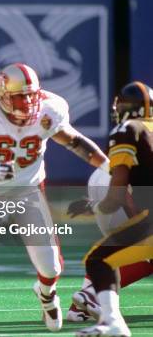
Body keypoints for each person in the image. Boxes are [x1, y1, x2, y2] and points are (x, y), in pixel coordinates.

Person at [0, 63, 108, 336]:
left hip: (28, 192)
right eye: (19, 96)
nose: (27, 102)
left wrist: (108, 166)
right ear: (2, 95)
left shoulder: (50, 108)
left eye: (31, 94)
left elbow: (74, 142)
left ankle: (46, 294)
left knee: (51, 266)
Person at [67, 81, 153, 337]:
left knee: (104, 256)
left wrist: (97, 206)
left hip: (114, 191)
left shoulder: (127, 130)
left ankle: (90, 301)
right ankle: (90, 297)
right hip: (124, 197)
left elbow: (119, 185)